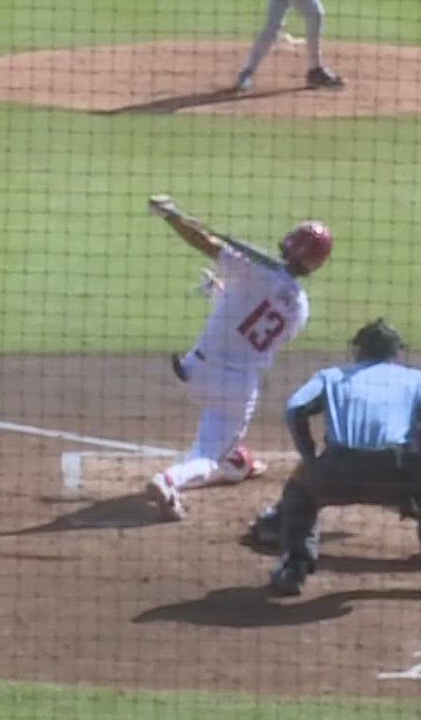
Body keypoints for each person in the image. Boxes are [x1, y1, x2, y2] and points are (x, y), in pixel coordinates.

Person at [142, 194, 332, 521]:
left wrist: (171, 215)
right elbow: (251, 331)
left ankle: (237, 462)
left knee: (222, 455)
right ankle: (170, 480)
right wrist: (224, 293)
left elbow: (204, 242)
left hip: (194, 371)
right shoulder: (301, 308)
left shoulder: (253, 270)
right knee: (209, 456)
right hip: (235, 388)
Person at [265, 318, 421, 598]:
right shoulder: (418, 379)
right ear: (397, 353)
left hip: (335, 472)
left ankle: (294, 570)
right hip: (398, 475)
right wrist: (420, 457)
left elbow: (295, 409)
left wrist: (309, 456)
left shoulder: (330, 376)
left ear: (359, 351)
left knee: (299, 492)